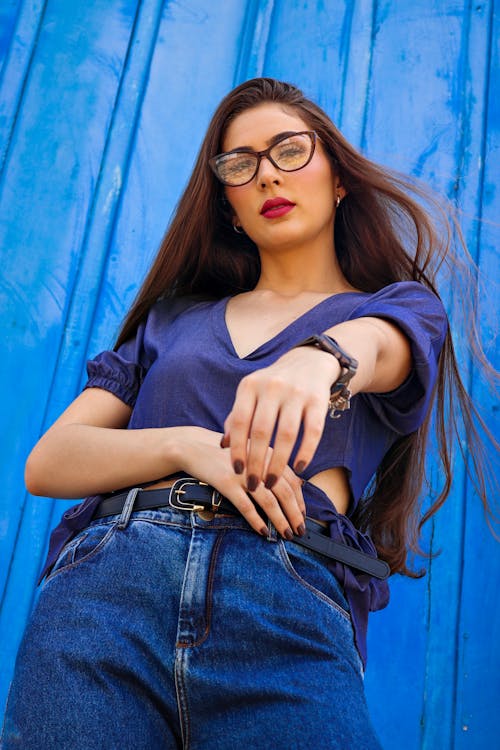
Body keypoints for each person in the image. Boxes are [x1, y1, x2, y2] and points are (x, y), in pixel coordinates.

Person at [1, 77, 491, 749]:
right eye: (241, 164)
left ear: (337, 176)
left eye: (290, 150)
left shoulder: (393, 312)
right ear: (229, 205)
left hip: (283, 593)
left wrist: (321, 359)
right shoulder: (173, 319)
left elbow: (381, 348)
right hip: (110, 590)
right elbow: (49, 462)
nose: (267, 176)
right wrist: (189, 446)